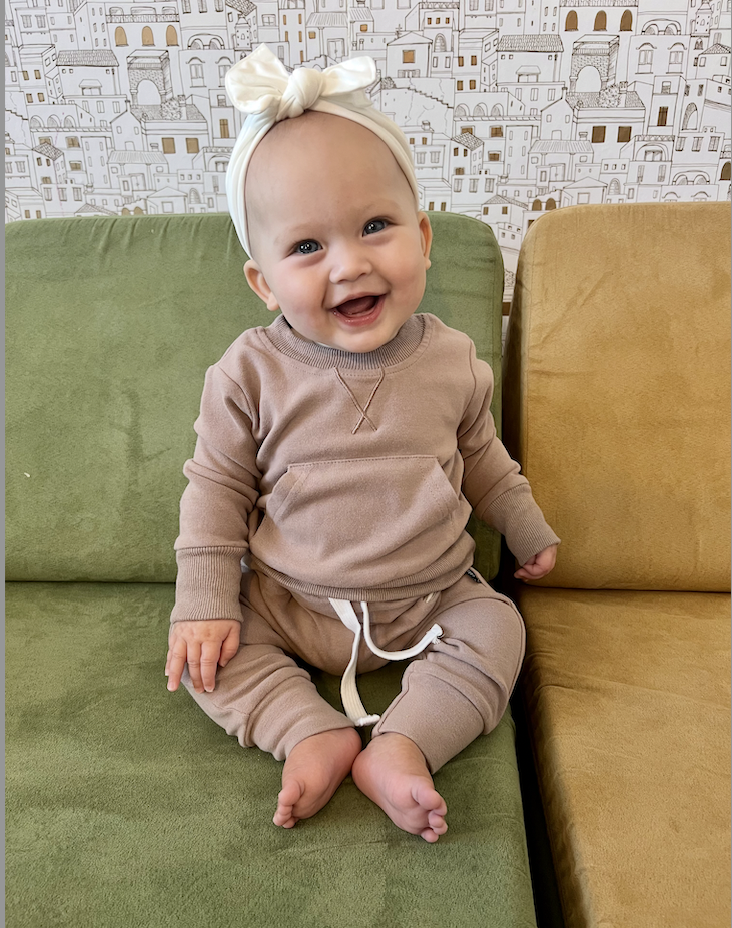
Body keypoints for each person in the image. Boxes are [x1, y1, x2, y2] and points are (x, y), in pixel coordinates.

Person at [164, 45, 560, 843]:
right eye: (307, 248)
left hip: (431, 598)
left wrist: (523, 523)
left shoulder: (450, 359)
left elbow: (482, 455)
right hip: (290, 602)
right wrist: (203, 602)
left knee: (502, 629)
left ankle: (404, 744)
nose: (349, 265)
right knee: (204, 658)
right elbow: (215, 489)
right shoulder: (249, 372)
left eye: (375, 226)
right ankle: (306, 728)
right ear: (264, 282)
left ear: (421, 236)